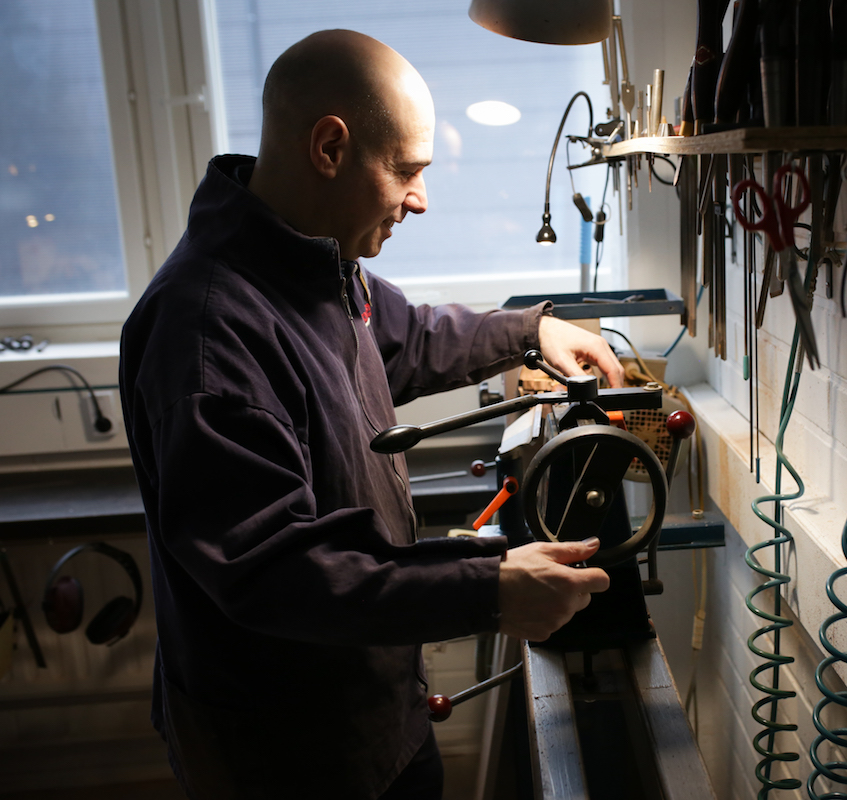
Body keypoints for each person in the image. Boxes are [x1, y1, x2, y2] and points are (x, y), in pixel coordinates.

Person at [119, 29, 620, 800]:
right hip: (290, 754)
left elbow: (406, 337)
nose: (420, 198)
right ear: (329, 147)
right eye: (407, 170)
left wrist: (531, 331)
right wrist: (488, 589)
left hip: (376, 707)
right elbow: (279, 570)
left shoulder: (311, 263)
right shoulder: (207, 332)